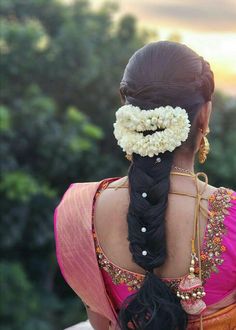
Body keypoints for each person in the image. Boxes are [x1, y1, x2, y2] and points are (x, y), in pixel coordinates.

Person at [54, 41, 236, 330]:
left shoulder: (79, 210)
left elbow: (100, 325)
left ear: (130, 117)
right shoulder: (233, 217)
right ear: (204, 115)